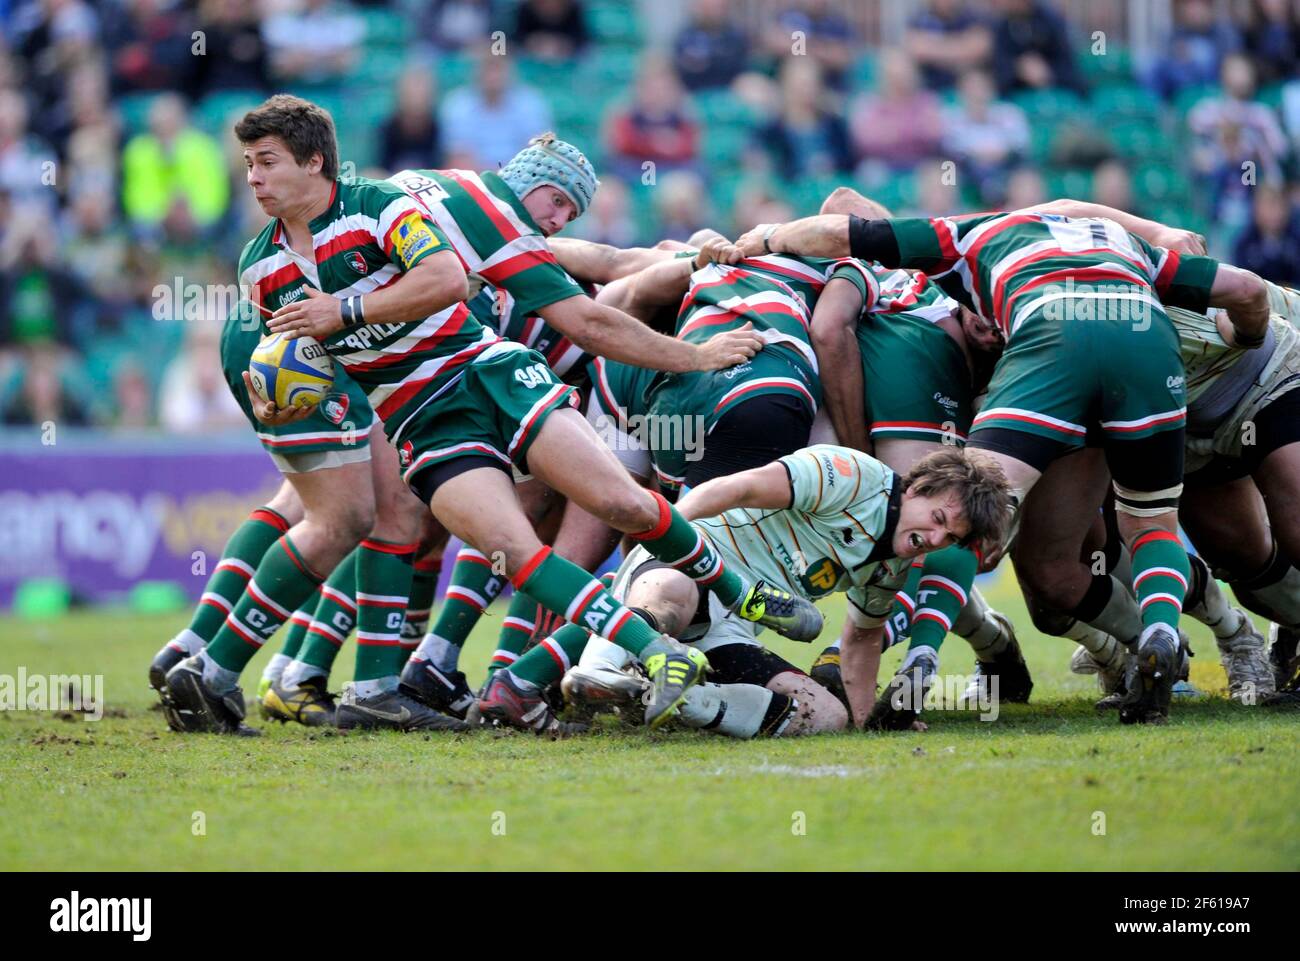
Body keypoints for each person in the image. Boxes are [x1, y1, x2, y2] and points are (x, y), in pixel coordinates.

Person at [734, 199, 1271, 725]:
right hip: (1147, 352)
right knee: (1147, 528)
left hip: (1051, 342)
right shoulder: (1126, 246)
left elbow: (840, 224)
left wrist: (766, 237)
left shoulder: (973, 236)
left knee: (970, 508)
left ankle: (925, 653)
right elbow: (1246, 289)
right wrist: (1245, 335)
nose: (989, 331)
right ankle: (1159, 630)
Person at [524, 445, 1012, 736]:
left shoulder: (891, 568)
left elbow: (862, 640)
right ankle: (600, 672)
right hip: (691, 566)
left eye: (949, 539)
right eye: (939, 520)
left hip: (733, 625)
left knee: (822, 715)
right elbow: (739, 488)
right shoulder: (852, 476)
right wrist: (671, 536)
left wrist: (863, 720)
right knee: (673, 594)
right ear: (917, 488)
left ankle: (668, 697)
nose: (934, 539)